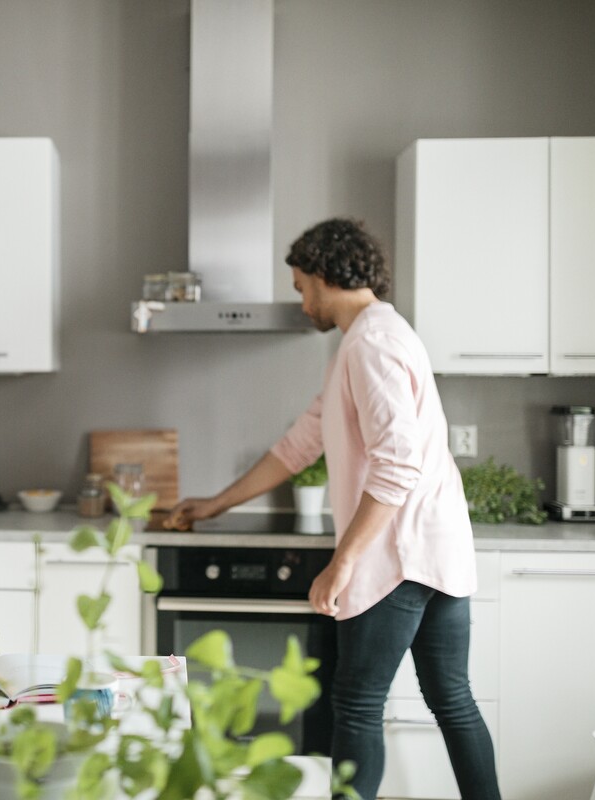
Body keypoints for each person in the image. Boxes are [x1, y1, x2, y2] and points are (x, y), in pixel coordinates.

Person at [167, 218, 500, 799]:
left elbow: (397, 464)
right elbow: (300, 444)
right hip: (436, 548)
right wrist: (215, 504)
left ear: (325, 275)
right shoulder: (371, 338)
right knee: (453, 699)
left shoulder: (371, 343)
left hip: (396, 553)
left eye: (301, 287)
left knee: (357, 705)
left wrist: (343, 562)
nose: (302, 304)